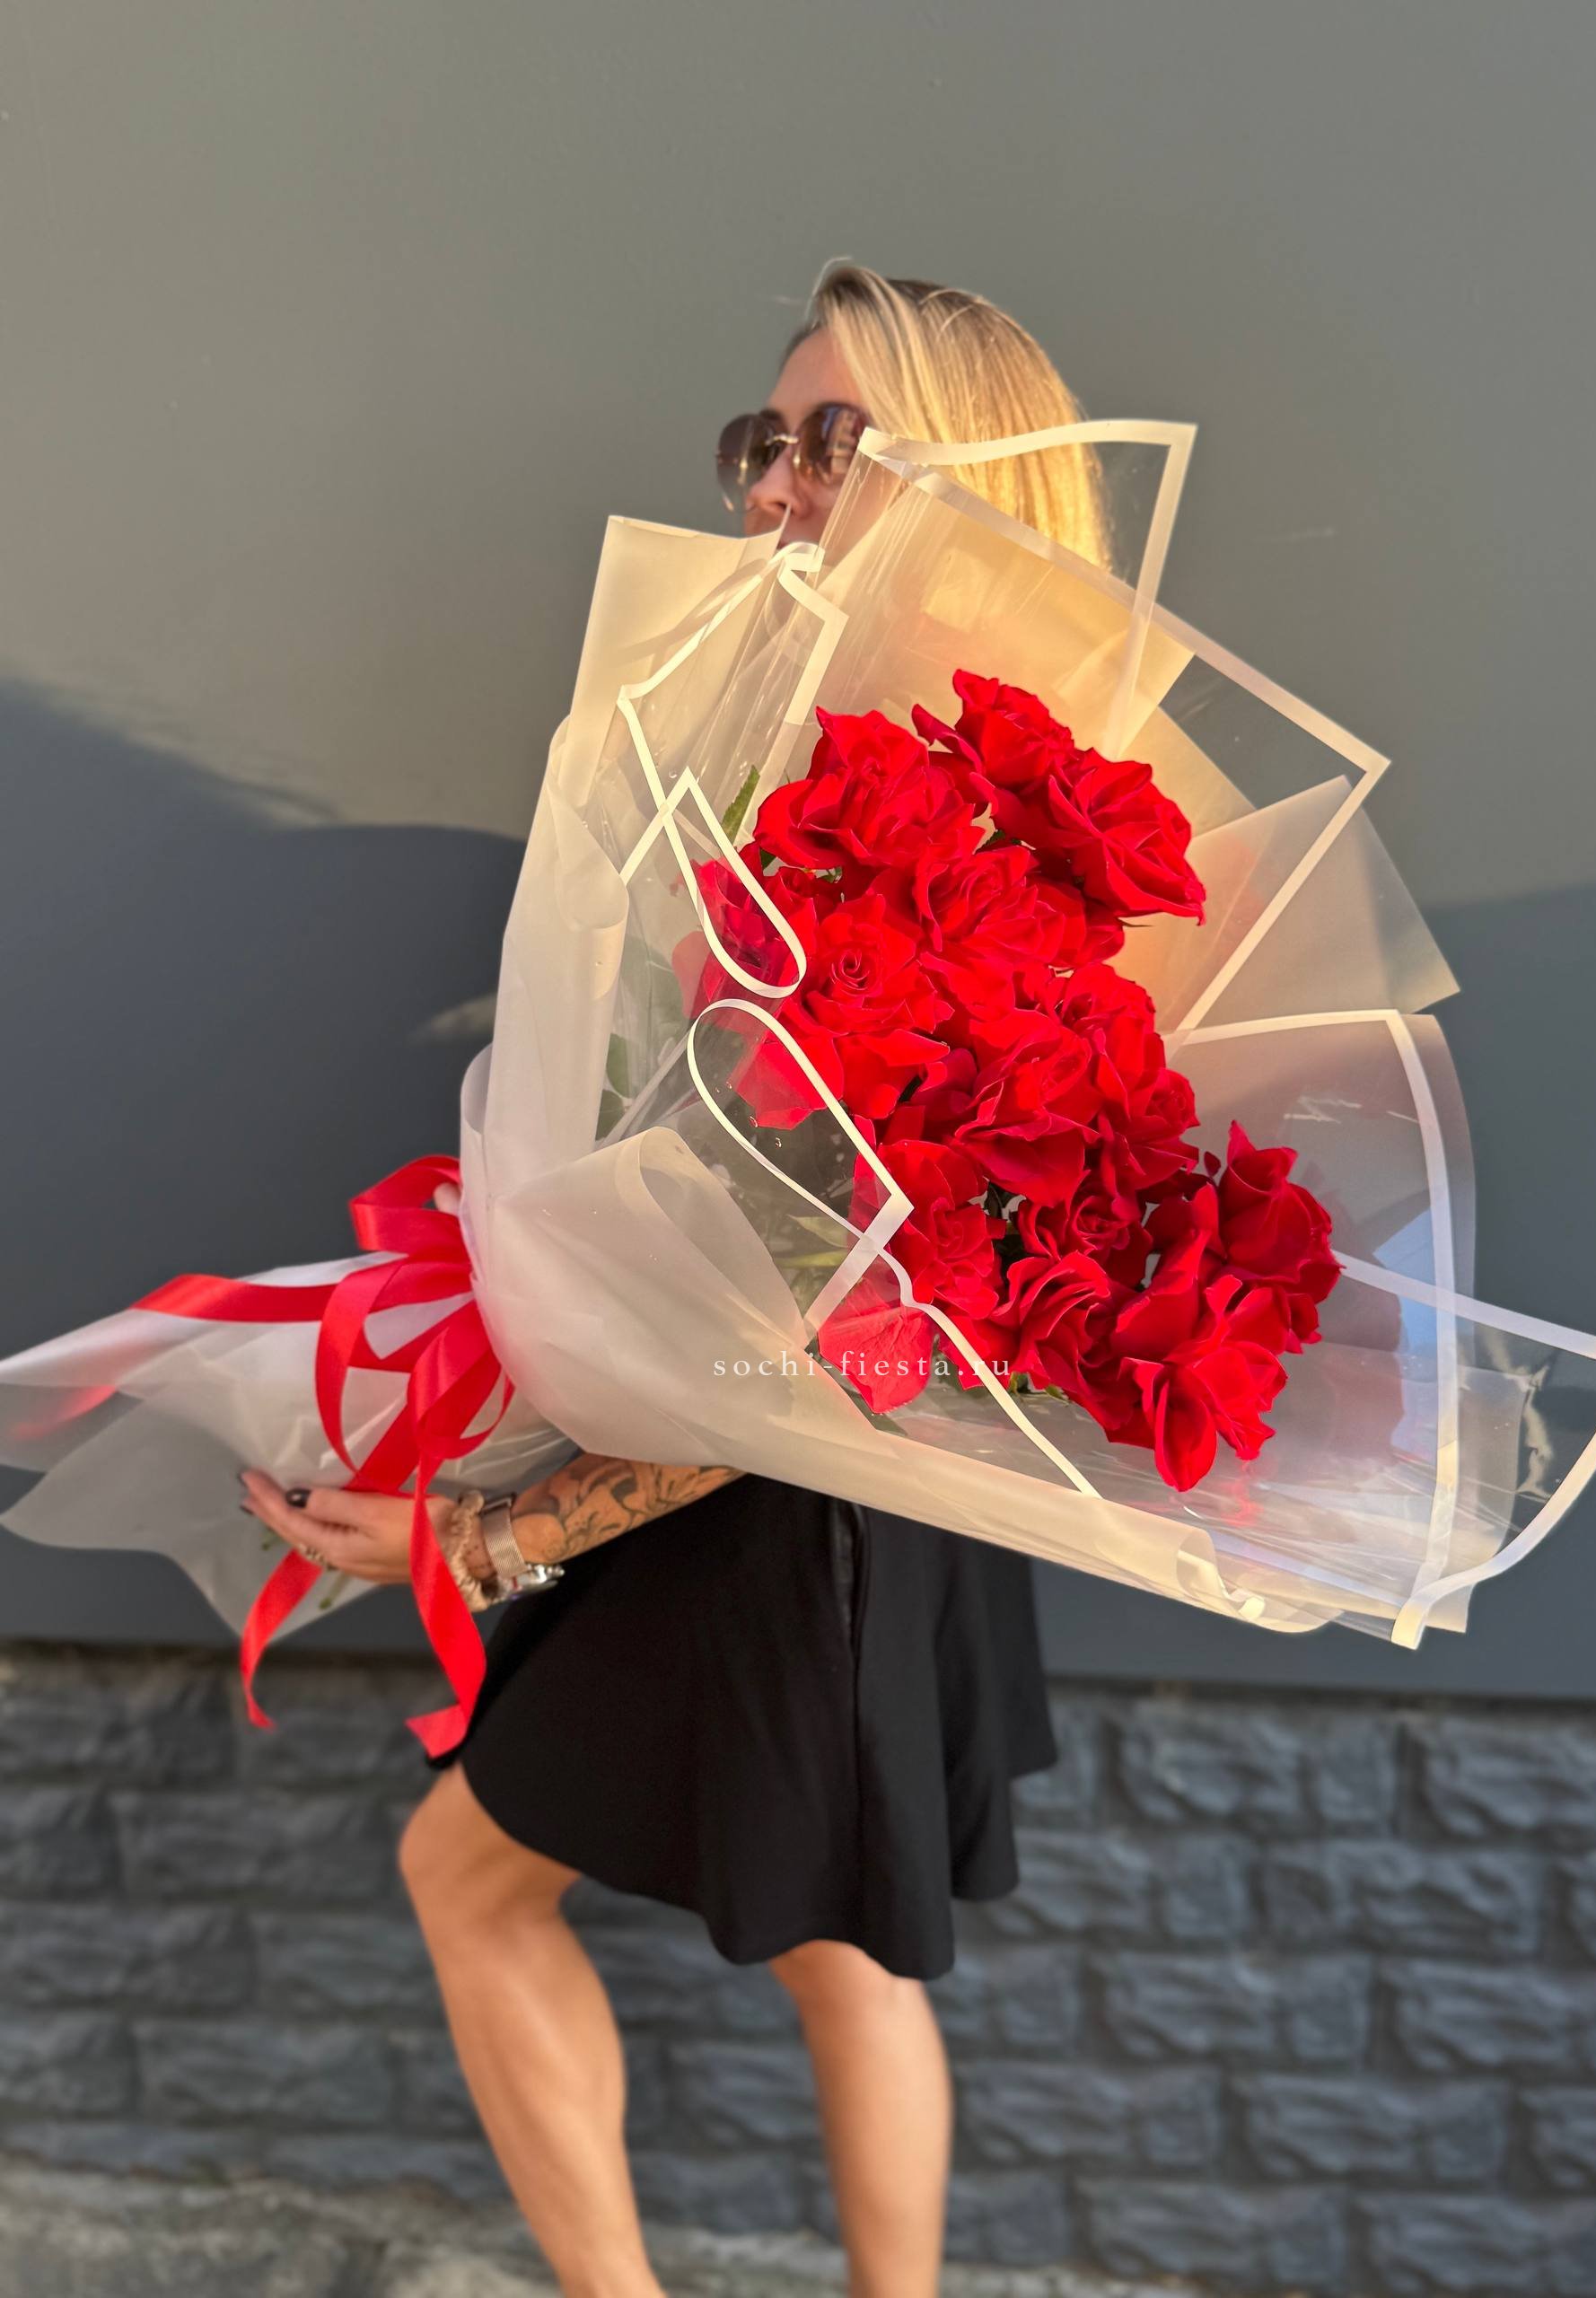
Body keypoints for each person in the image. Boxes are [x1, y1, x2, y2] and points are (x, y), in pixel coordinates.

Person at [239, 260, 1111, 2298]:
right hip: (866, 1478)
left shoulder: (934, 829)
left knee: (481, 1883)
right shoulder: (993, 776)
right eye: (766, 441)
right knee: (846, 1952)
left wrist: (491, 1531)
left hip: (795, 1482)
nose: (778, 485)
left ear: (981, 483)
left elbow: (828, 1323)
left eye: (839, 442)